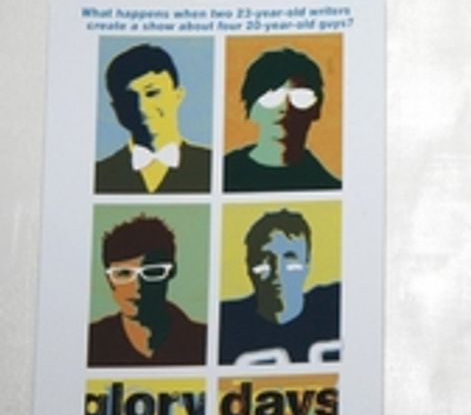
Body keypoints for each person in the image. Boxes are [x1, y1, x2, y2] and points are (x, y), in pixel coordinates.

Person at [219, 208, 341, 365]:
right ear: (249, 267)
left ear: (307, 263)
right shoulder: (226, 323)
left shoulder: (335, 305)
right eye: (265, 258)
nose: (278, 270)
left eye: (290, 257)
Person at [88, 215, 207, 366]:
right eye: (123, 273)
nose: (137, 286)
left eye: (151, 272)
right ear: (108, 279)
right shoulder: (91, 340)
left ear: (171, 272)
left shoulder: (204, 340)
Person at [95, 43, 211, 194]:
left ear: (178, 96)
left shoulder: (212, 165)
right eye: (128, 99)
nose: (142, 107)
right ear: (116, 109)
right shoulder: (99, 174)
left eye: (152, 93)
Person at [224, 47, 341, 191]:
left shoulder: (328, 187)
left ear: (316, 109)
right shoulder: (221, 174)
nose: (284, 107)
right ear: (252, 109)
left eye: (300, 98)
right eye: (271, 97)